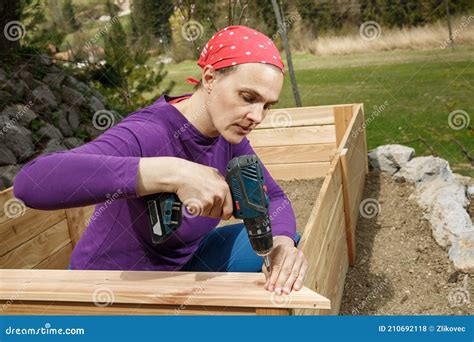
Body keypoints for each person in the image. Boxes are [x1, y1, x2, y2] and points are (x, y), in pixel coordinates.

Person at [13, 25, 308, 296]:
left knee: (282, 242)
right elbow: (31, 183)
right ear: (209, 78)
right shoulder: (148, 133)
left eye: (267, 106)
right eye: (247, 97)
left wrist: (282, 245)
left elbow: (275, 198)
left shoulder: (228, 134)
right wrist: (173, 172)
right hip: (112, 286)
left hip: (184, 264)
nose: (257, 117)